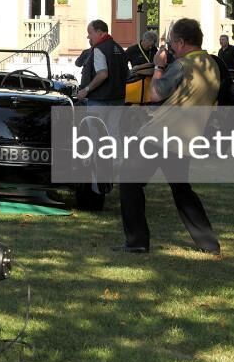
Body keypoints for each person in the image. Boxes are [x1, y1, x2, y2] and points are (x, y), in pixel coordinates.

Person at [115, 18, 222, 255]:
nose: (171, 48)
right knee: (182, 190)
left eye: (172, 42)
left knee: (129, 180)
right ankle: (209, 244)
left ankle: (137, 242)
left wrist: (158, 66)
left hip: (159, 134)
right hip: (186, 137)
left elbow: (155, 94)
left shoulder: (183, 65)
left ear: (181, 42)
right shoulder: (212, 65)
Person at [75, 19, 128, 105]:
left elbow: (102, 74)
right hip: (118, 98)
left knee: (95, 119)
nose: (88, 37)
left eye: (90, 33)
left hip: (100, 100)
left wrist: (86, 90)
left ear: (99, 32)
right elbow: (126, 73)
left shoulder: (99, 48)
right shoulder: (118, 47)